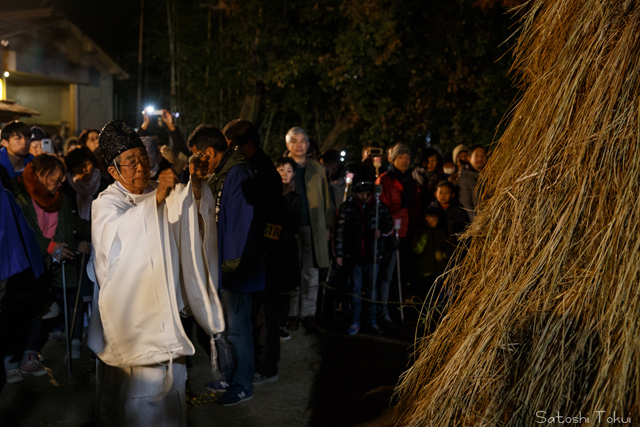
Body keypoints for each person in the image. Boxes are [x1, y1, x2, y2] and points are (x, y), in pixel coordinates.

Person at [88, 121, 224, 426]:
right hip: (132, 322)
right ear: (113, 171)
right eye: (131, 162)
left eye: (144, 159)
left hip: (167, 315)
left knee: (171, 393)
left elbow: (188, 224)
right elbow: (118, 245)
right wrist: (158, 202)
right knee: (137, 400)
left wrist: (196, 183)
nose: (140, 167)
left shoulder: (155, 189)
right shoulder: (106, 204)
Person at [188, 124, 262, 406]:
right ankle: (229, 376)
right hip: (224, 267)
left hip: (236, 268)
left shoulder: (238, 174)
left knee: (238, 328)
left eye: (197, 156)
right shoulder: (221, 174)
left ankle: (243, 383)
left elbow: (242, 224)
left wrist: (232, 265)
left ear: (209, 152)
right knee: (223, 326)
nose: (195, 162)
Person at [9, 154, 91, 381]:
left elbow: (73, 225)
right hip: (26, 264)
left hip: (51, 264)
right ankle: (10, 360)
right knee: (19, 313)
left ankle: (28, 356)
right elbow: (23, 231)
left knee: (36, 312)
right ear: (41, 175)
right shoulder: (20, 196)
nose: (60, 182)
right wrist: (49, 246)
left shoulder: (61, 198)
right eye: (55, 178)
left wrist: (101, 228)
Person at [222, 119, 285, 387]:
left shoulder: (262, 170)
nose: (229, 151)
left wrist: (266, 249)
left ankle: (268, 366)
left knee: (265, 315)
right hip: (257, 250)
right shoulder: (249, 167)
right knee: (254, 314)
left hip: (265, 252)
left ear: (247, 144)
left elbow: (273, 215)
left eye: (232, 145)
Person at [285, 127, 333, 334]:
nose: (299, 144)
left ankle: (309, 314)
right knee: (293, 271)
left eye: (303, 141)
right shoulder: (283, 166)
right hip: (290, 227)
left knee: (311, 271)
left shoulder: (316, 168)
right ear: (288, 144)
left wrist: (328, 226)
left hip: (314, 226)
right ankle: (292, 314)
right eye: (295, 141)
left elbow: (327, 199)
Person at [0, 177, 45, 390]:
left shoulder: (6, 196)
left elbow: (24, 235)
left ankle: (12, 358)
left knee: (13, 315)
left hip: (8, 268)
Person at [332, 181, 393, 336]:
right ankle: (355, 320)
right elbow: (339, 231)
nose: (364, 196)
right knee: (355, 288)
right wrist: (339, 253)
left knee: (372, 289)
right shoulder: (347, 207)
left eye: (367, 192)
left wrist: (382, 233)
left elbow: (389, 226)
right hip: (354, 255)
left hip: (373, 255)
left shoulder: (380, 207)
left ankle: (372, 320)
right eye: (361, 193)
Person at [375, 143, 421, 324]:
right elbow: (382, 208)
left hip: (409, 232)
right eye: (401, 157)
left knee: (405, 273)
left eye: (408, 157)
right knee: (389, 274)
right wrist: (388, 230)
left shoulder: (411, 180)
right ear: (393, 159)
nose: (405, 161)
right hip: (392, 234)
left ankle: (401, 307)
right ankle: (387, 309)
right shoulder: (385, 180)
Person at [275, 157, 301, 341]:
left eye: (289, 170)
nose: (285, 174)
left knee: (284, 289)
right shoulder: (269, 192)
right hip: (270, 246)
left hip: (287, 247)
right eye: (281, 170)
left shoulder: (295, 197)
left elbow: (295, 225)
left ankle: (280, 324)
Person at [412, 207, 453, 303]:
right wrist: (424, 237)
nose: (430, 223)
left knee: (439, 298)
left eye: (434, 220)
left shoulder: (442, 235)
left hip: (440, 273)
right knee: (426, 298)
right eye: (427, 220)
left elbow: (448, 251)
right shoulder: (421, 234)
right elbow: (417, 250)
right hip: (425, 273)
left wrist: (444, 255)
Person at [458, 144, 487, 222]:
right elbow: (466, 204)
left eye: (483, 155)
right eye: (476, 156)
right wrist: (476, 222)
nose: (480, 158)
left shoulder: (491, 174)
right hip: (479, 220)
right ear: (469, 158)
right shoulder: (465, 178)